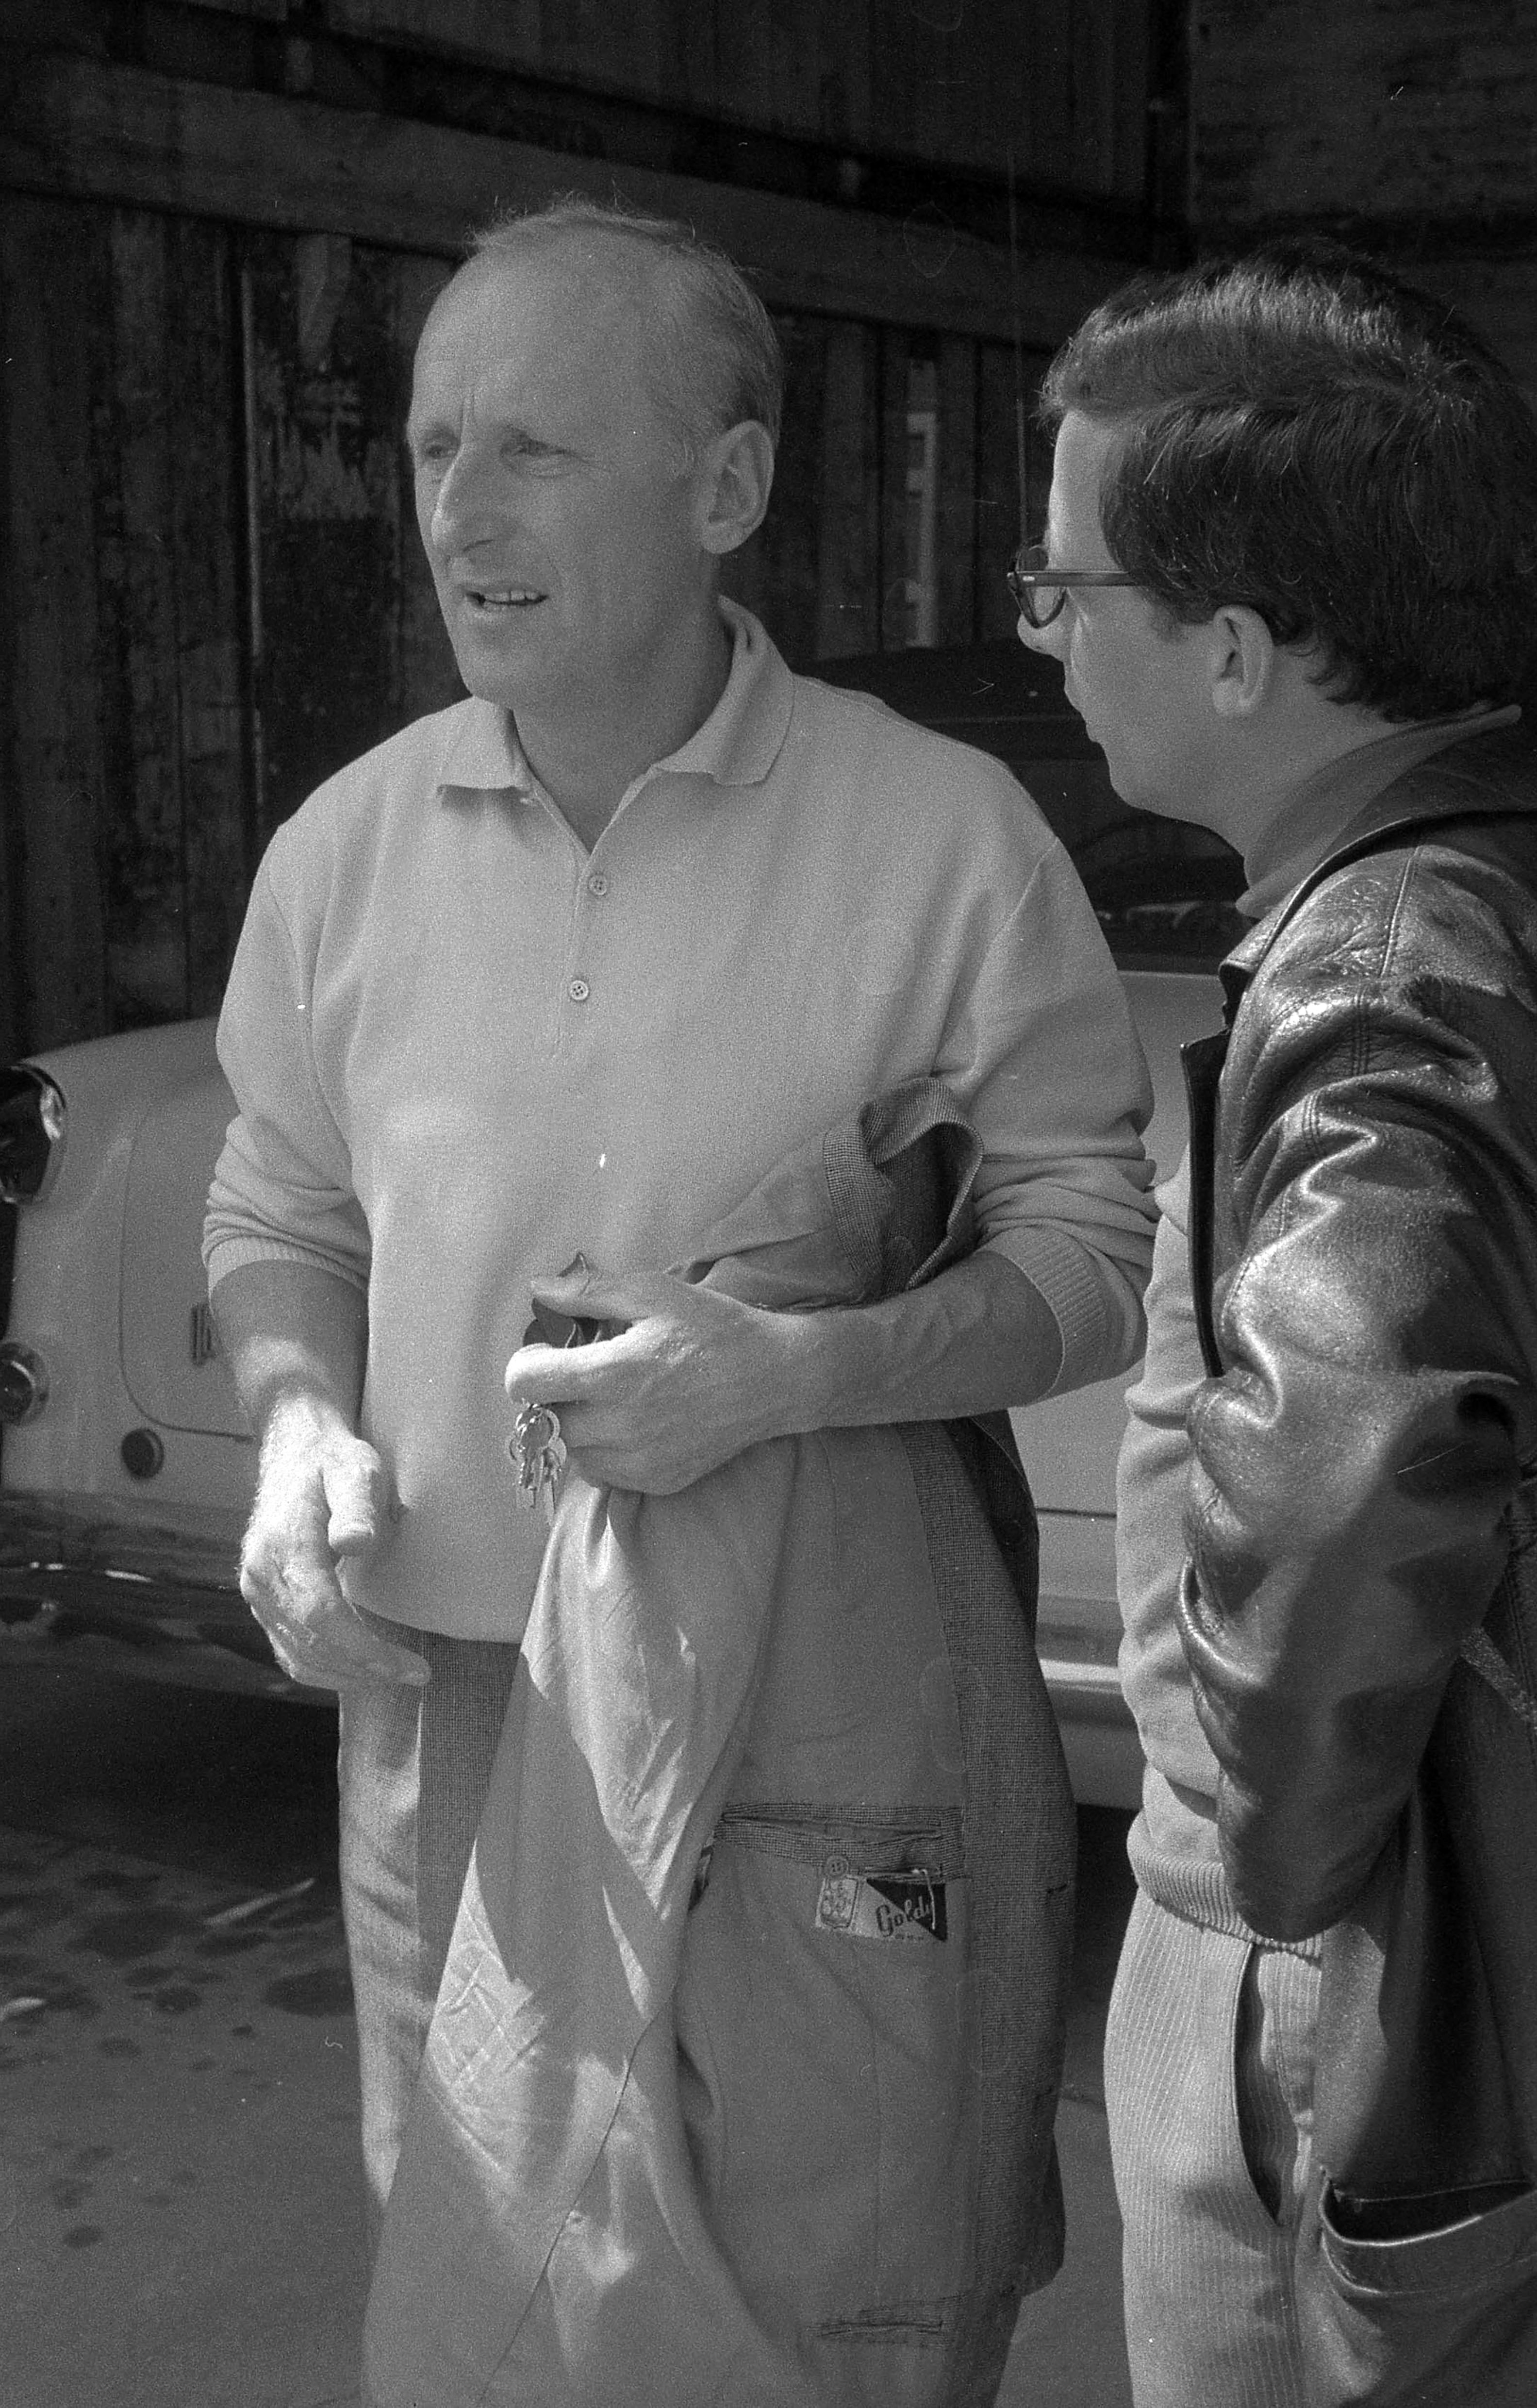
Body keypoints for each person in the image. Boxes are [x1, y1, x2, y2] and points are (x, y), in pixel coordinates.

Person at [203, 198, 1157, 2394]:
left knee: (830, 2308)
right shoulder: (342, 849)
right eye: (435, 445)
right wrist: (297, 1419)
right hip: (446, 1698)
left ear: (726, 486)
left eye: (532, 446)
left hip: (818, 1710)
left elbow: (1091, 1257)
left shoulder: (942, 837)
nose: (457, 510)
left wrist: (794, 1372)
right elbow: (281, 1200)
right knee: (482, 2302)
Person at [1012, 237, 1537, 2406]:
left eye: (1064, 587)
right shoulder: (1515, 862)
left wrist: (1266, 1876)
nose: (1042, 632)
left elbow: (1357, 1464)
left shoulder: (1387, 968)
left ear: (1236, 649)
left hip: (1345, 1965)